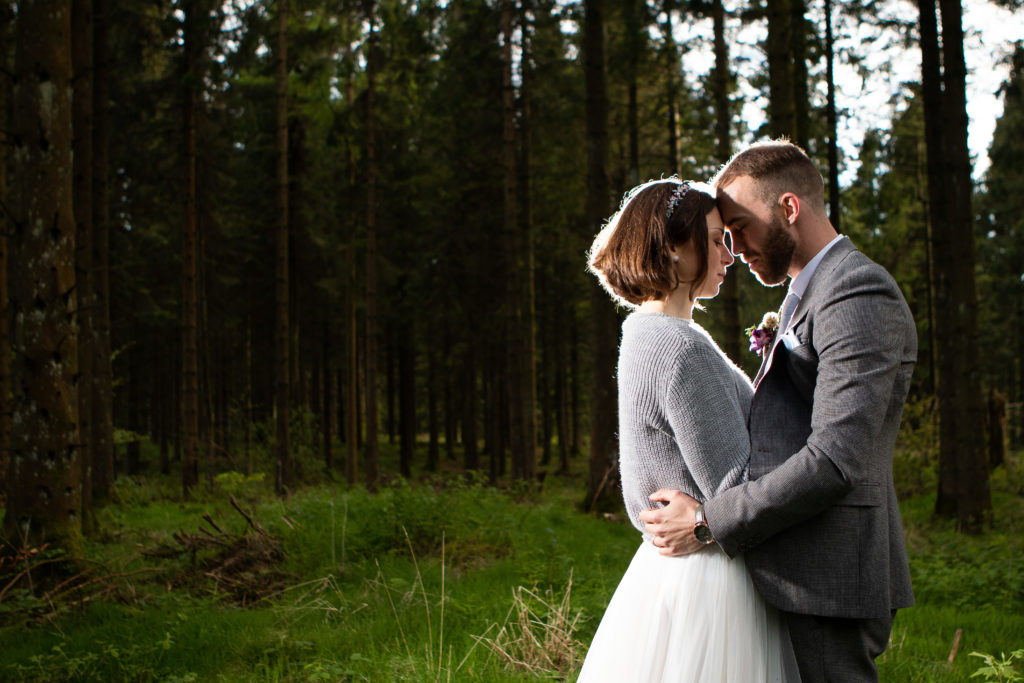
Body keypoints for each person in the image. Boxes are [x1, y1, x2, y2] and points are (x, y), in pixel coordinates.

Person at [640, 140, 916, 682]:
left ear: (789, 209)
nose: (734, 246)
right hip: (795, 565)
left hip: (830, 574)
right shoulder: (806, 295)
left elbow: (835, 459)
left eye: (740, 225)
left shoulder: (856, 291)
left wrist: (705, 522)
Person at [577, 179, 786, 682]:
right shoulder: (679, 348)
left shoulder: (644, 333)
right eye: (716, 240)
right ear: (673, 248)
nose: (729, 255)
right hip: (713, 580)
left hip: (673, 576)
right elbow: (736, 486)